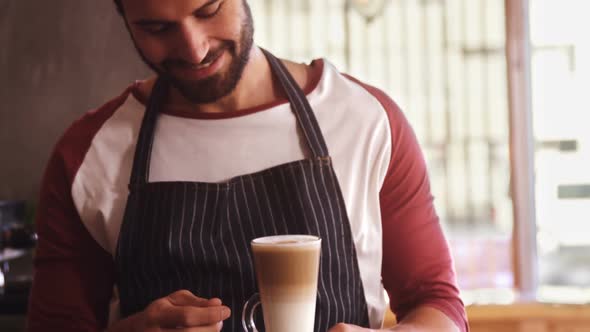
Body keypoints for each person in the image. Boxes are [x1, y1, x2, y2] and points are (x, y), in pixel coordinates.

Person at [26, 0, 469, 331]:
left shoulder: (364, 120)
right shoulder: (89, 153)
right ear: (123, 18)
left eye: (208, 9)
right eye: (157, 27)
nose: (193, 49)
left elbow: (437, 303)